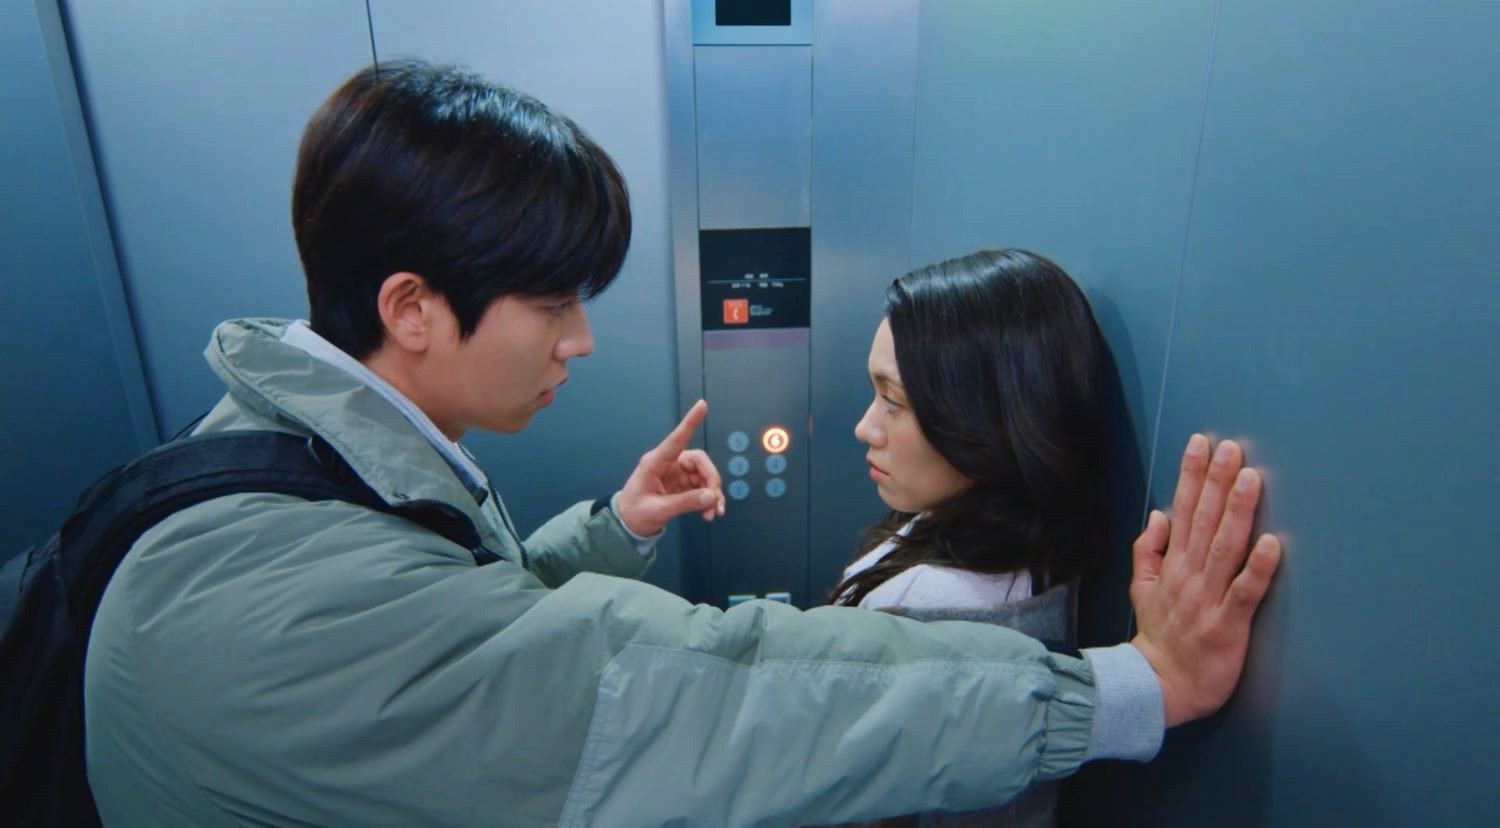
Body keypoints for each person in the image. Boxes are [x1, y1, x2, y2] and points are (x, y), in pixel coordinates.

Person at [83, 60, 1282, 827]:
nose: (581, 339)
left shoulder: (293, 455)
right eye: (554, 302)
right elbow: (714, 694)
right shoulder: (282, 598)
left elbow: (454, 624)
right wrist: (1136, 688)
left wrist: (612, 532)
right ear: (413, 309)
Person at [829, 249, 1114, 827]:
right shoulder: (1015, 544)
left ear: (986, 419)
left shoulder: (934, 611)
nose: (865, 427)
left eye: (893, 402)